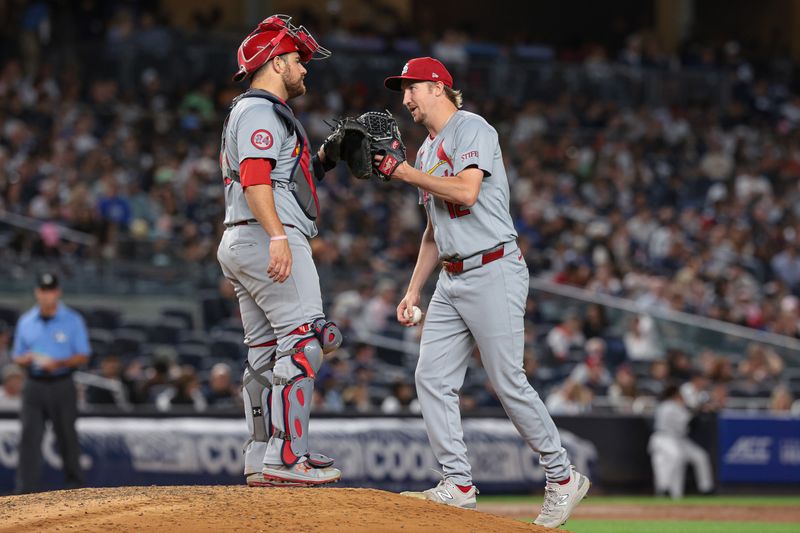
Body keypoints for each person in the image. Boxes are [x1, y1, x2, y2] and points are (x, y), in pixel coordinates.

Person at [378, 57, 590, 528]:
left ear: (437, 87)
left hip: (494, 267)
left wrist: (406, 173)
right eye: (403, 91)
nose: (405, 98)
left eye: (411, 88)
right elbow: (433, 232)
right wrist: (413, 290)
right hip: (452, 278)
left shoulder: (473, 128)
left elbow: (469, 192)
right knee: (430, 378)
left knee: (508, 382)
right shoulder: (429, 150)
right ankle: (457, 482)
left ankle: (561, 475)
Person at [216, 14, 343, 488]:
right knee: (307, 341)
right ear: (274, 61)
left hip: (243, 235)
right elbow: (255, 178)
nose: (304, 69)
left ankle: (260, 455)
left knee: (267, 354)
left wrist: (326, 158)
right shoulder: (259, 110)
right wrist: (276, 236)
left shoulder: (256, 112)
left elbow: (282, 178)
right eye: (296, 59)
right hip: (264, 234)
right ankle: (288, 457)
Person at [12, 273, 90, 493]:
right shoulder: (26, 321)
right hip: (34, 383)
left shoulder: (72, 320)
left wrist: (59, 363)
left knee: (67, 435)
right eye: (43, 290)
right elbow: (16, 355)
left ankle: (75, 487)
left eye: (51, 290)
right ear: (37, 292)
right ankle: (25, 492)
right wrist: (25, 359)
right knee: (29, 436)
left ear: (58, 292)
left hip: (62, 382)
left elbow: (83, 355)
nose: (47, 295)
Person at [648, 384, 714, 498]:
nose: (682, 397)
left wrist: (701, 409)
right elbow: (690, 421)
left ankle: (705, 489)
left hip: (679, 439)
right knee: (673, 458)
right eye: (680, 395)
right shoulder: (668, 406)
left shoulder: (678, 406)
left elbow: (689, 416)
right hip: (664, 438)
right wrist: (699, 409)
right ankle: (665, 489)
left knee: (700, 456)